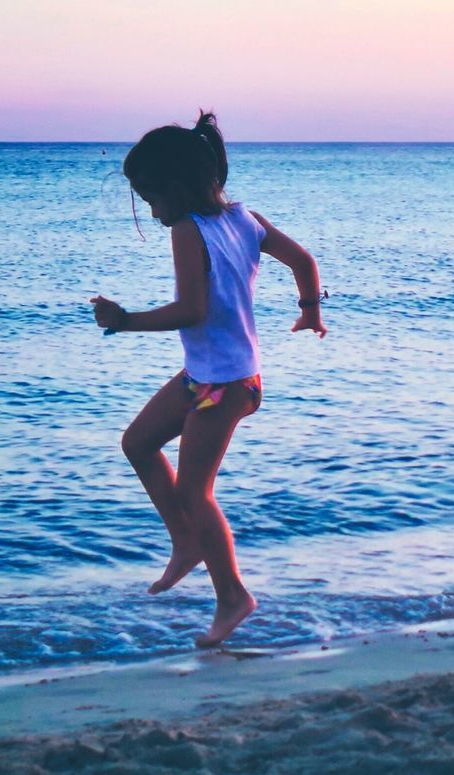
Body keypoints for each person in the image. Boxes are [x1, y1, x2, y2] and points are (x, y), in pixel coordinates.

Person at [90, 111, 327, 648]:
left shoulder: (188, 230)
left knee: (196, 489)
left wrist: (125, 320)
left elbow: (191, 311)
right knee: (138, 443)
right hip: (211, 377)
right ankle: (185, 543)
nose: (151, 213)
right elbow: (304, 261)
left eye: (150, 199)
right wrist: (310, 309)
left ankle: (232, 597)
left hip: (224, 386)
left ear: (174, 189)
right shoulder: (246, 219)